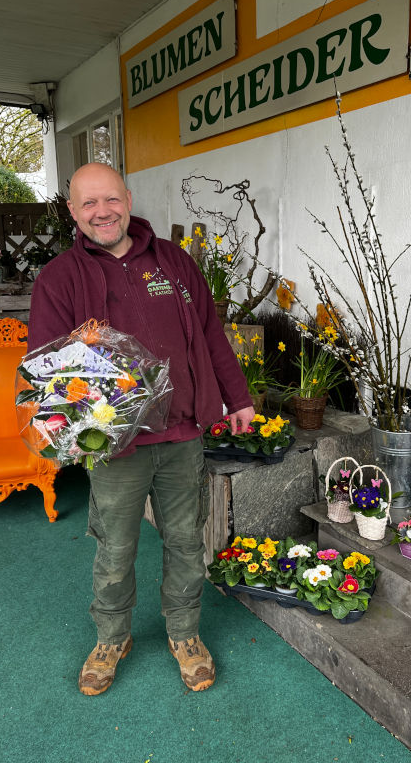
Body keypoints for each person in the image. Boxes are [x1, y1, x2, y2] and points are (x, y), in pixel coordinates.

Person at [27, 162, 254, 696]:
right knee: (115, 547)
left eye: (110, 199)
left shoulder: (173, 262)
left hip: (183, 435)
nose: (102, 212)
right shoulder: (58, 278)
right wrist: (71, 425)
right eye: (88, 204)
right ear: (73, 211)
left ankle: (185, 633)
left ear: (128, 198)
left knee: (183, 539)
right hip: (114, 446)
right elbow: (46, 367)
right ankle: (111, 637)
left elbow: (209, 331)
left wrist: (237, 397)